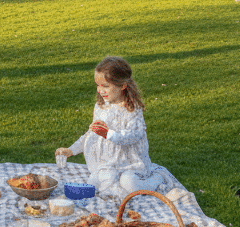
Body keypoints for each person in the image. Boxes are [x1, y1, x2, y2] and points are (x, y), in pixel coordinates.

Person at [55, 56, 178, 196]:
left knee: (128, 183)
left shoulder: (132, 109)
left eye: (105, 86)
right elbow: (91, 135)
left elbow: (133, 136)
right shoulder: (100, 106)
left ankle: (156, 179)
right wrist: (71, 150)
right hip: (109, 162)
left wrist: (109, 134)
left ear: (122, 85)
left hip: (131, 163)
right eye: (98, 85)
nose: (100, 90)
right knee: (93, 183)